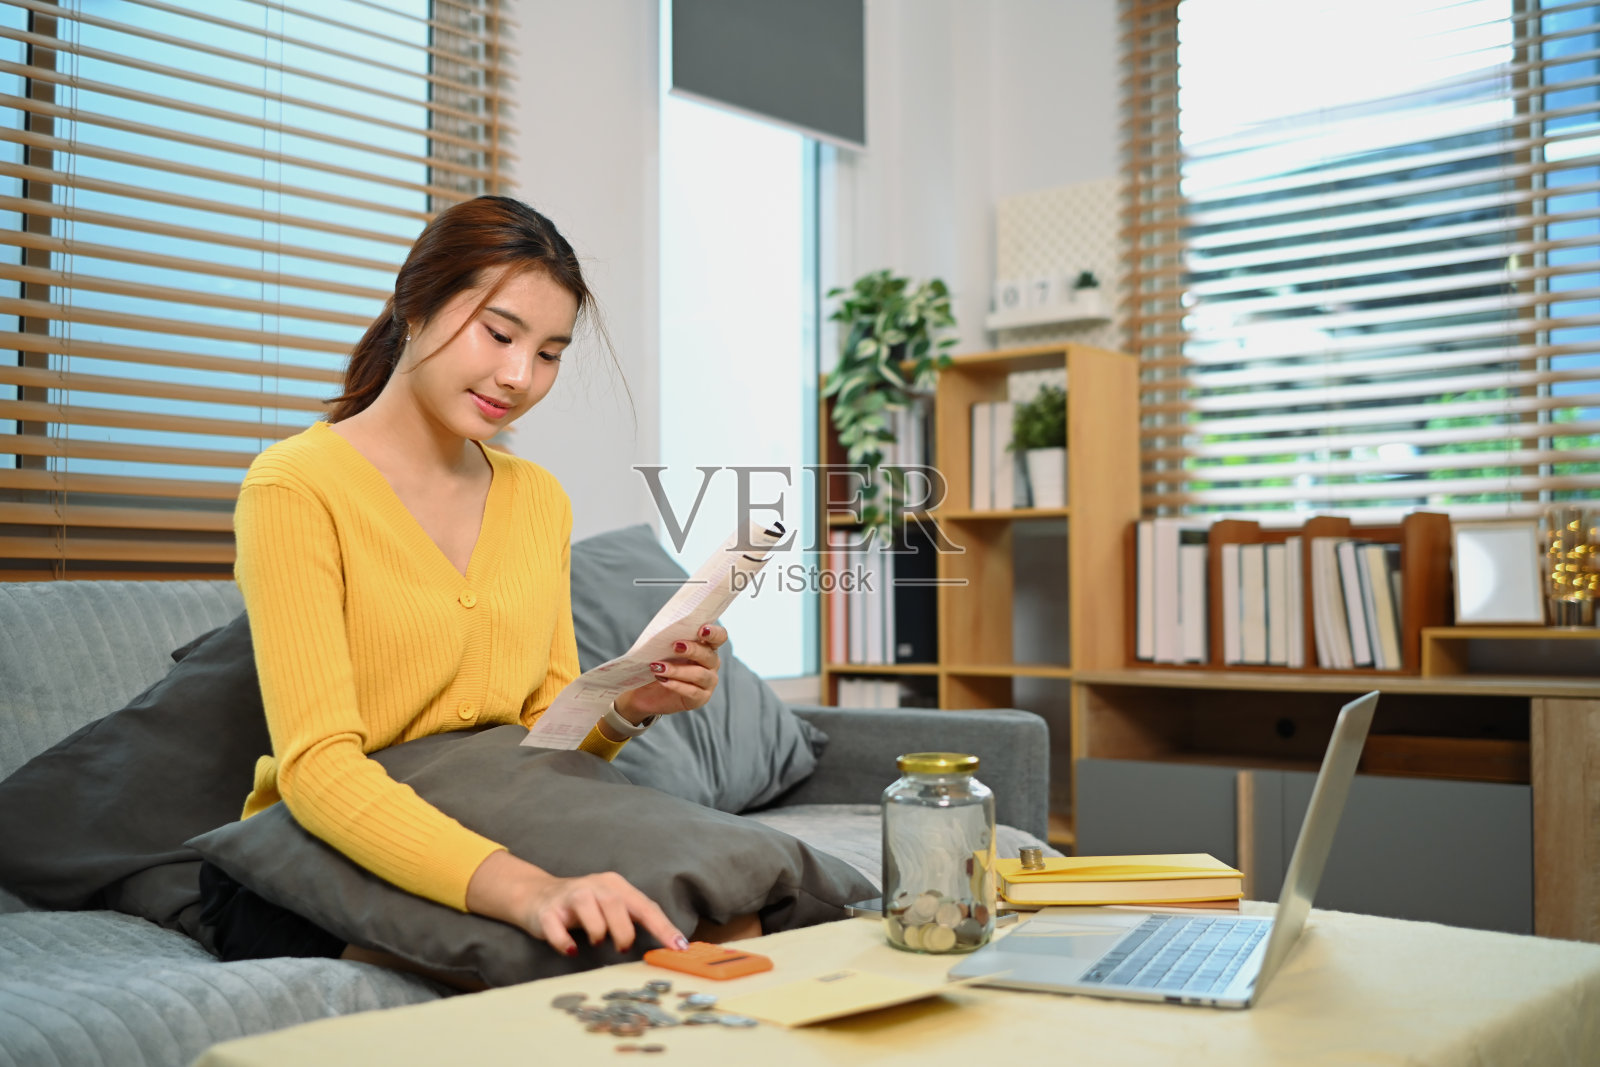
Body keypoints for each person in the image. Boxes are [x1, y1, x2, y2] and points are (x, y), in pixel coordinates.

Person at [201, 195, 741, 976]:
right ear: (414, 305)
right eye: (499, 333)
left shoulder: (537, 499)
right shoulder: (295, 486)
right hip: (316, 856)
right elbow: (317, 767)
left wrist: (627, 705)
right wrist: (531, 891)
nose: (519, 376)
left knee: (734, 914)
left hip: (494, 815)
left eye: (549, 353)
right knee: (598, 955)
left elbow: (541, 743)